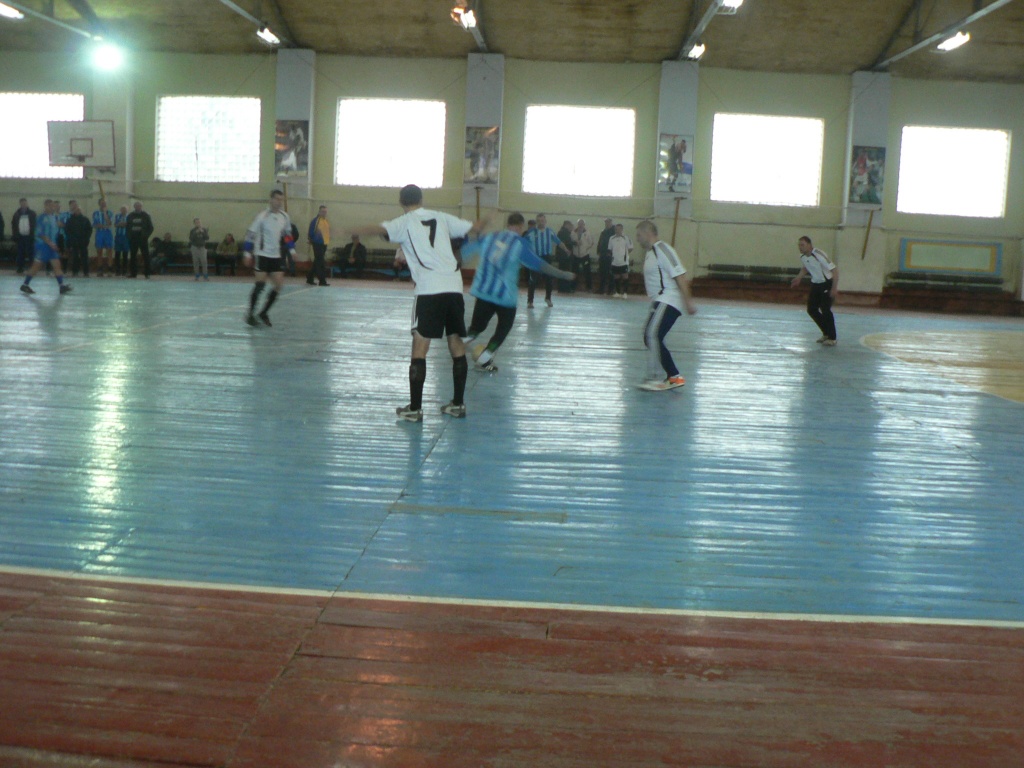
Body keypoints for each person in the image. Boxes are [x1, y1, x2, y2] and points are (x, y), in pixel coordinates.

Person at [349, 183, 486, 422]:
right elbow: (474, 227)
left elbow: (379, 229)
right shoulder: (441, 217)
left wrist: (350, 228)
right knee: (456, 342)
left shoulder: (404, 222)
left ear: (401, 202)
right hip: (454, 286)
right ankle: (458, 404)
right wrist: (488, 217)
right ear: (421, 199)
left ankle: (414, 408)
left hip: (429, 289)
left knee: (420, 346)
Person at [462, 212, 575, 373]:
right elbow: (540, 265)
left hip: (484, 293)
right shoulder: (520, 244)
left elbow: (465, 252)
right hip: (505, 297)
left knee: (476, 327)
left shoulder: (491, 237)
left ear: (508, 225)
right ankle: (484, 358)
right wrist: (563, 274)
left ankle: (461, 343)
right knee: (503, 329)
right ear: (521, 227)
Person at [634, 220, 696, 391]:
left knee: (651, 334)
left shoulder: (662, 249)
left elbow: (680, 275)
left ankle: (654, 378)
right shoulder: (650, 253)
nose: (637, 239)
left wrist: (688, 301)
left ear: (648, 233)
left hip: (669, 299)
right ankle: (674, 376)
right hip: (660, 301)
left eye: (639, 235)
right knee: (651, 336)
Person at [242, 189, 296, 327]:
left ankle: (264, 312)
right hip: (262, 254)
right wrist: (247, 253)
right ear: (271, 200)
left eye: (281, 200)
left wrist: (292, 250)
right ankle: (250, 314)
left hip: (275, 255)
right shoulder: (262, 216)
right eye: (276, 199)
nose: (279, 202)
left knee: (278, 285)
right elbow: (250, 235)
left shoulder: (284, 217)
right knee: (260, 285)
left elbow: (287, 234)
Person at [790, 236, 839, 346]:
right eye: (799, 245)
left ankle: (832, 337)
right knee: (811, 309)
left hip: (826, 283)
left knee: (825, 309)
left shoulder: (818, 255)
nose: (800, 247)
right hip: (816, 284)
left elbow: (835, 270)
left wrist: (834, 288)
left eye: (802, 245)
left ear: (809, 245)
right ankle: (826, 332)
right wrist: (799, 278)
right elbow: (806, 267)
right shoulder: (802, 256)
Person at [19, 199, 72, 296]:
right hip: (42, 246)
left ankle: (61, 286)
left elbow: (58, 227)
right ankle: (25, 284)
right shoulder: (41, 218)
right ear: (46, 206)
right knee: (36, 266)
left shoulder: (54, 217)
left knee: (57, 264)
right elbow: (40, 234)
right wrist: (50, 243)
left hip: (51, 246)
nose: (52, 207)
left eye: (53, 206)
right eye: (50, 206)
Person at [525, 213, 565, 308]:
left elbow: (558, 242)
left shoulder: (549, 231)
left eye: (542, 221)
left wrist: (566, 249)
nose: (540, 223)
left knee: (549, 279)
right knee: (533, 280)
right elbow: (523, 242)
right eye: (538, 221)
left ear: (545, 221)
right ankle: (530, 301)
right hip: (535, 258)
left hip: (547, 258)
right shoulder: (531, 232)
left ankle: (548, 298)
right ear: (536, 222)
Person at [126, 201, 154, 278]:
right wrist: (129, 236)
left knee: (145, 255)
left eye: (139, 206)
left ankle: (147, 274)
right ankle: (133, 273)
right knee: (133, 256)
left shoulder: (146, 215)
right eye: (137, 206)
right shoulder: (130, 215)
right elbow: (127, 227)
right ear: (134, 207)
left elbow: (151, 227)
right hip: (133, 238)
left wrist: (146, 236)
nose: (138, 207)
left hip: (143, 238)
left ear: (141, 207)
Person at [64, 200, 93, 278]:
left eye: (79, 210)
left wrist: (86, 239)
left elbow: (89, 230)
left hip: (83, 242)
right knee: (75, 257)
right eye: (76, 210)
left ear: (81, 211)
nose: (78, 211)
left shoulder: (85, 219)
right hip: (74, 242)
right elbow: (67, 230)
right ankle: (75, 272)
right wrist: (71, 239)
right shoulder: (70, 220)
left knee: (84, 257)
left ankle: (86, 272)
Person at [306, 205, 330, 286]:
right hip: (317, 244)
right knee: (320, 262)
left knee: (317, 261)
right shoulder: (315, 221)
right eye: (323, 211)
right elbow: (311, 232)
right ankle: (322, 281)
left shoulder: (326, 221)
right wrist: (312, 239)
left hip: (324, 244)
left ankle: (309, 278)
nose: (324, 213)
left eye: (325, 212)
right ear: (319, 212)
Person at [11, 198, 36, 275]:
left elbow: (35, 225)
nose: (24, 204)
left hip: (29, 236)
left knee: (31, 253)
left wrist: (34, 235)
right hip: (20, 237)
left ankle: (32, 269)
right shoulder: (16, 214)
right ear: (20, 204)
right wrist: (15, 235)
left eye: (25, 203)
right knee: (20, 253)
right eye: (22, 203)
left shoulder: (32, 213)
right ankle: (20, 268)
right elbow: (14, 225)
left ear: (27, 203)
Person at [608, 223, 633, 298]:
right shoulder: (611, 238)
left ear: (622, 229)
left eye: (619, 229)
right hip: (615, 261)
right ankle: (618, 292)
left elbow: (630, 248)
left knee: (625, 276)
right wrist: (613, 256)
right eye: (616, 229)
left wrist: (625, 255)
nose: (617, 230)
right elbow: (609, 249)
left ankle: (625, 293)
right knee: (616, 277)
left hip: (624, 262)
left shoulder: (626, 238)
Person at [571, 218, 595, 291]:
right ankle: (573, 287)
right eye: (579, 223)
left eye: (582, 224)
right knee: (574, 271)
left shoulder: (587, 233)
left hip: (585, 255)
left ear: (584, 225)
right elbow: (570, 242)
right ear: (577, 224)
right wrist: (575, 243)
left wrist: (585, 249)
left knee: (587, 271)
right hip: (575, 255)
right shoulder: (573, 232)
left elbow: (591, 243)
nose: (580, 225)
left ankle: (589, 288)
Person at [92, 199, 113, 277]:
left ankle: (110, 269)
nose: (103, 205)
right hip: (99, 233)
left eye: (105, 203)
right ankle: (100, 269)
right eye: (102, 203)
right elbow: (94, 224)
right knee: (99, 251)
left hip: (107, 233)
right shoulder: (95, 213)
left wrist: (105, 213)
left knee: (109, 251)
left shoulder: (109, 212)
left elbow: (109, 223)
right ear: (99, 204)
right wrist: (98, 225)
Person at [596, 217, 615, 294]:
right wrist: (598, 250)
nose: (606, 224)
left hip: (610, 255)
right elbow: (600, 241)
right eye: (606, 222)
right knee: (602, 272)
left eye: (608, 222)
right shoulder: (603, 231)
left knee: (610, 272)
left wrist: (611, 252)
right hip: (602, 254)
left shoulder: (614, 232)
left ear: (611, 223)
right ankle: (601, 289)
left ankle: (611, 290)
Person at [556, 219, 575, 293]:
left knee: (562, 271)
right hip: (565, 256)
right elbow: (567, 243)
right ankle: (565, 288)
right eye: (570, 226)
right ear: (567, 225)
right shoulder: (564, 232)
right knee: (566, 271)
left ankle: (562, 288)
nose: (571, 227)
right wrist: (574, 243)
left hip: (562, 256)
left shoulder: (561, 232)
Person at [113, 205, 129, 276]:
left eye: (125, 209)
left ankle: (125, 270)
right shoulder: (117, 216)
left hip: (126, 237)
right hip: (118, 236)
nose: (124, 210)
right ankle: (117, 270)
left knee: (125, 253)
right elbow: (115, 224)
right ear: (120, 210)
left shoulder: (129, 216)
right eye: (122, 209)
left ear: (127, 210)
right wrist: (122, 224)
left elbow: (128, 224)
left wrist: (121, 224)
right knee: (117, 253)